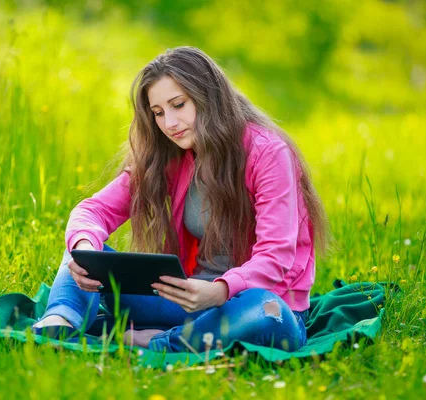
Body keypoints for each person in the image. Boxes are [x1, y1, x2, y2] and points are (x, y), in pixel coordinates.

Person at [32, 46, 329, 353]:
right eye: (158, 113)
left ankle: (158, 341)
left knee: (268, 314)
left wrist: (219, 291)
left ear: (209, 96)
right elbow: (94, 211)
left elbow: (276, 256)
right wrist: (84, 248)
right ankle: (58, 323)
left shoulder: (267, 153)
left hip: (254, 303)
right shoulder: (170, 154)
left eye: (178, 105)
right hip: (187, 298)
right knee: (86, 255)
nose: (169, 123)